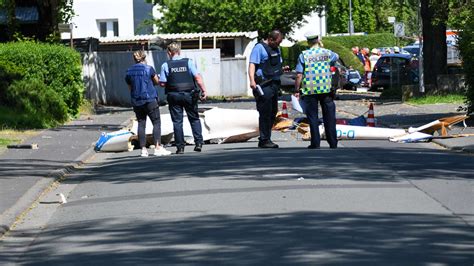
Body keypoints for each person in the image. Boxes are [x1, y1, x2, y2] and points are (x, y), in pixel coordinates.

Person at [159, 42, 207, 154]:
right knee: (194, 118)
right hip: (189, 94)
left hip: (174, 95)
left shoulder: (165, 65)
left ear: (169, 53)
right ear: (179, 51)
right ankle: (198, 143)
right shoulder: (188, 62)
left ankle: (180, 147)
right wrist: (204, 90)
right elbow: (198, 78)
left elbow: (162, 83)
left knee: (177, 122)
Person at [294, 31, 339, 149]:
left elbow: (299, 75)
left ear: (308, 42)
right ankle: (333, 142)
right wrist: (322, 46)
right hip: (326, 89)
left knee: (313, 117)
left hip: (310, 90)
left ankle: (315, 143)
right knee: (329, 116)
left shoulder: (303, 55)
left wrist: (297, 90)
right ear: (318, 39)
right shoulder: (327, 53)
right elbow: (336, 57)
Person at [125, 50, 172, 157]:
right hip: (150, 99)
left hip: (137, 100)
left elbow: (130, 87)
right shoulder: (149, 69)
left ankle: (143, 149)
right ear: (144, 58)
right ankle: (158, 147)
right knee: (156, 122)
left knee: (141, 123)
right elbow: (157, 82)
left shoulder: (129, 71)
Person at [248, 30, 288, 148]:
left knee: (273, 112)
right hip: (263, 85)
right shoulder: (259, 48)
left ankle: (266, 138)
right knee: (265, 112)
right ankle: (264, 139)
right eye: (277, 42)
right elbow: (252, 65)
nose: (278, 45)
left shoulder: (277, 49)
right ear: (270, 39)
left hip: (274, 84)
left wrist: (283, 69)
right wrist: (252, 81)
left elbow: (276, 64)